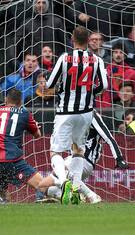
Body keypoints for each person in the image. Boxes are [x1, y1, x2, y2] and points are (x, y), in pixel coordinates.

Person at [46, 26, 108, 205]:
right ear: (89, 40)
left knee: (56, 151)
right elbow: (103, 85)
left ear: (72, 39)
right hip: (86, 112)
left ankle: (65, 181)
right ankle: (78, 189)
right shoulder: (96, 59)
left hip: (65, 111)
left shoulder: (64, 58)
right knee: (78, 151)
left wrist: (63, 88)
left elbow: (50, 83)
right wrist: (89, 92)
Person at [37, 110, 129, 204]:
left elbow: (108, 137)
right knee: (46, 188)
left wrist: (119, 158)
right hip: (74, 158)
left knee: (48, 183)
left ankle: (92, 196)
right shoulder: (70, 114)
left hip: (86, 160)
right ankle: (77, 197)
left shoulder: (93, 116)